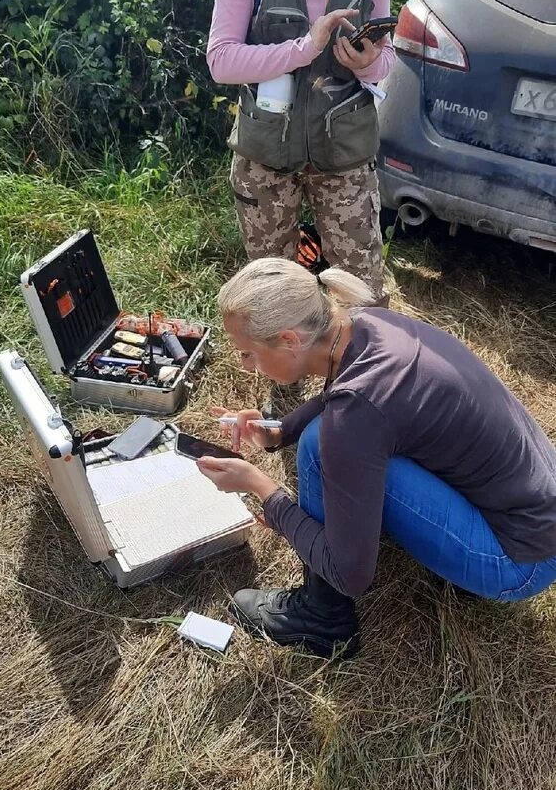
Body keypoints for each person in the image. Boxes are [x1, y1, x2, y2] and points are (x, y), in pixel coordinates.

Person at [197, 258, 556, 660]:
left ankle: (322, 615)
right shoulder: (364, 323)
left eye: (247, 354)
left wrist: (262, 488)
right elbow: (349, 397)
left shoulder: (356, 414)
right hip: (538, 515)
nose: (247, 367)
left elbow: (350, 574)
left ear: (289, 340)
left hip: (518, 560)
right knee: (323, 436)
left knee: (320, 445)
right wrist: (280, 431)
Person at [207, 0, 396, 301]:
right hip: (267, 157)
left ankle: (360, 378)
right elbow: (222, 60)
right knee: (274, 298)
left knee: (363, 296)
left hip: (346, 155)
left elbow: (386, 59)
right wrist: (305, 46)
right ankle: (282, 380)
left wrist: (369, 61)